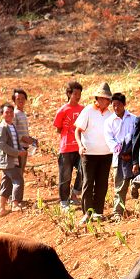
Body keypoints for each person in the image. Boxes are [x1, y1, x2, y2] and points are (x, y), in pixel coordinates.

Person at [74, 83, 114, 224]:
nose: (106, 101)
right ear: (97, 98)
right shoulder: (88, 111)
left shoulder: (110, 114)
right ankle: (87, 213)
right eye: (103, 98)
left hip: (106, 154)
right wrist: (80, 145)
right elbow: (78, 130)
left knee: (102, 184)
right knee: (88, 183)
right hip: (89, 154)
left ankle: (98, 212)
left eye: (108, 99)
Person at [103, 92, 138, 219]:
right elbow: (109, 139)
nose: (116, 107)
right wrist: (121, 152)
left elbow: (136, 137)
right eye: (114, 105)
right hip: (119, 158)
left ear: (124, 104)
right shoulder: (109, 122)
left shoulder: (134, 119)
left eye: (118, 104)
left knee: (138, 180)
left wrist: (130, 153)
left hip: (133, 157)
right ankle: (118, 212)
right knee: (120, 186)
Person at [53, 81, 84, 210]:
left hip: (80, 148)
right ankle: (64, 202)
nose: (78, 96)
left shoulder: (83, 110)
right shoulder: (62, 110)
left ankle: (75, 194)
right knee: (65, 176)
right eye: (75, 93)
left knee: (84, 171)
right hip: (66, 148)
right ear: (69, 94)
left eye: (79, 94)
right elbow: (58, 128)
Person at [0, 103, 28, 216]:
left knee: (6, 183)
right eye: (6, 112)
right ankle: (14, 204)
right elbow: (2, 146)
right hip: (7, 161)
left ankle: (1, 209)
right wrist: (17, 152)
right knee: (18, 180)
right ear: (2, 114)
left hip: (13, 160)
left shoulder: (12, 126)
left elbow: (15, 142)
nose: (9, 114)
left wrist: (20, 150)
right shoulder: (2, 128)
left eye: (11, 112)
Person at [12, 88, 35, 170]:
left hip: (24, 146)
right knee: (18, 172)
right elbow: (12, 131)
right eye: (18, 99)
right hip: (18, 147)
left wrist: (31, 139)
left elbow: (22, 131)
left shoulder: (23, 114)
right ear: (14, 100)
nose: (21, 101)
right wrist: (24, 138)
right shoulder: (14, 114)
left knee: (21, 171)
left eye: (23, 98)